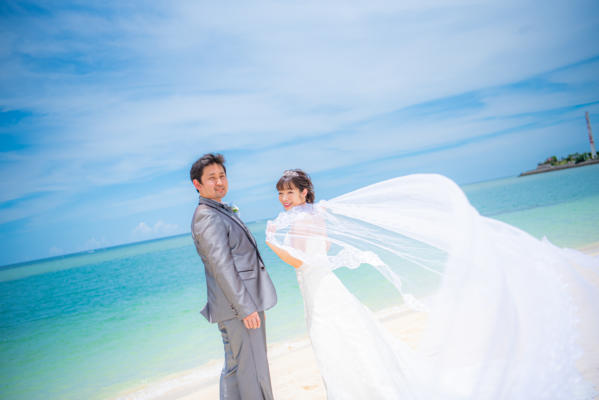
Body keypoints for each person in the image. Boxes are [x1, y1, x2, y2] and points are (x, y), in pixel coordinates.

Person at [266, 169, 599, 399]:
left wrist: (272, 243)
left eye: (290, 192)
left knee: (334, 342)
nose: (284, 198)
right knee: (351, 337)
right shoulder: (316, 214)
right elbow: (323, 248)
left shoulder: (300, 219)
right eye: (281, 193)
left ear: (304, 192)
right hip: (326, 286)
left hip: (319, 289)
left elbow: (302, 261)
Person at [190, 153, 277, 400]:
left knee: (237, 368)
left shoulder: (217, 211)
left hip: (237, 305)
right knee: (252, 370)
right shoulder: (207, 216)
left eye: (222, 176)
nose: (219, 182)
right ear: (197, 184)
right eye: (212, 178)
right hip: (239, 307)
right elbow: (221, 265)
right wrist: (245, 308)